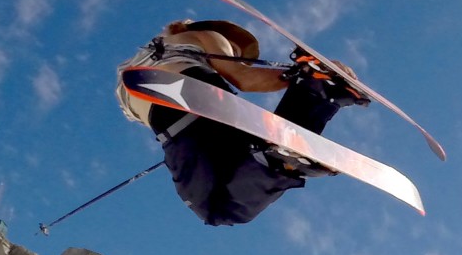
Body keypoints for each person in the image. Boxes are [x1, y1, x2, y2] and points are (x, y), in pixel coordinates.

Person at [117, 18, 367, 227]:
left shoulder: (130, 69)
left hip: (182, 119)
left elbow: (241, 76)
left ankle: (278, 159)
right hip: (201, 107)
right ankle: (317, 94)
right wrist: (300, 75)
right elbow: (243, 76)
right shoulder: (205, 35)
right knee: (227, 193)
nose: (234, 54)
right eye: (235, 51)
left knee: (218, 207)